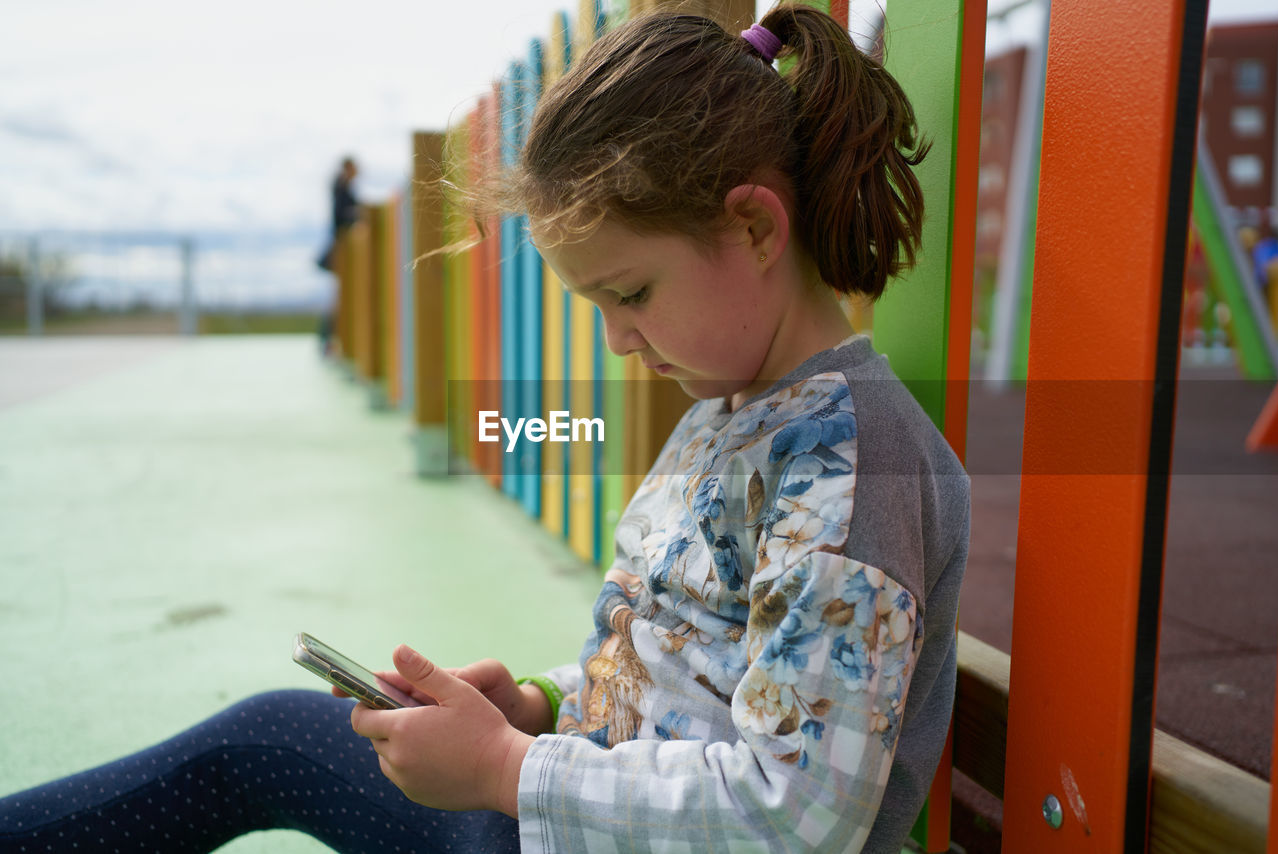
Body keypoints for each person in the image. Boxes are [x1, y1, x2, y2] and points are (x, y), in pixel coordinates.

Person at [0, 6, 968, 853]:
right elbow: (679, 668)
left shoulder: (849, 473)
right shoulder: (735, 406)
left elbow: (790, 818)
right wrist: (538, 705)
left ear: (755, 227)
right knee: (266, 741)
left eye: (629, 292)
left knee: (259, 744)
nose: (618, 338)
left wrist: (507, 765)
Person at [317, 156, 360, 355]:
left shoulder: (341, 187)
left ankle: (329, 342)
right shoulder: (341, 187)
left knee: (340, 297)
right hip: (342, 248)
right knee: (341, 298)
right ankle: (328, 341)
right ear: (347, 168)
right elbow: (341, 217)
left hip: (342, 246)